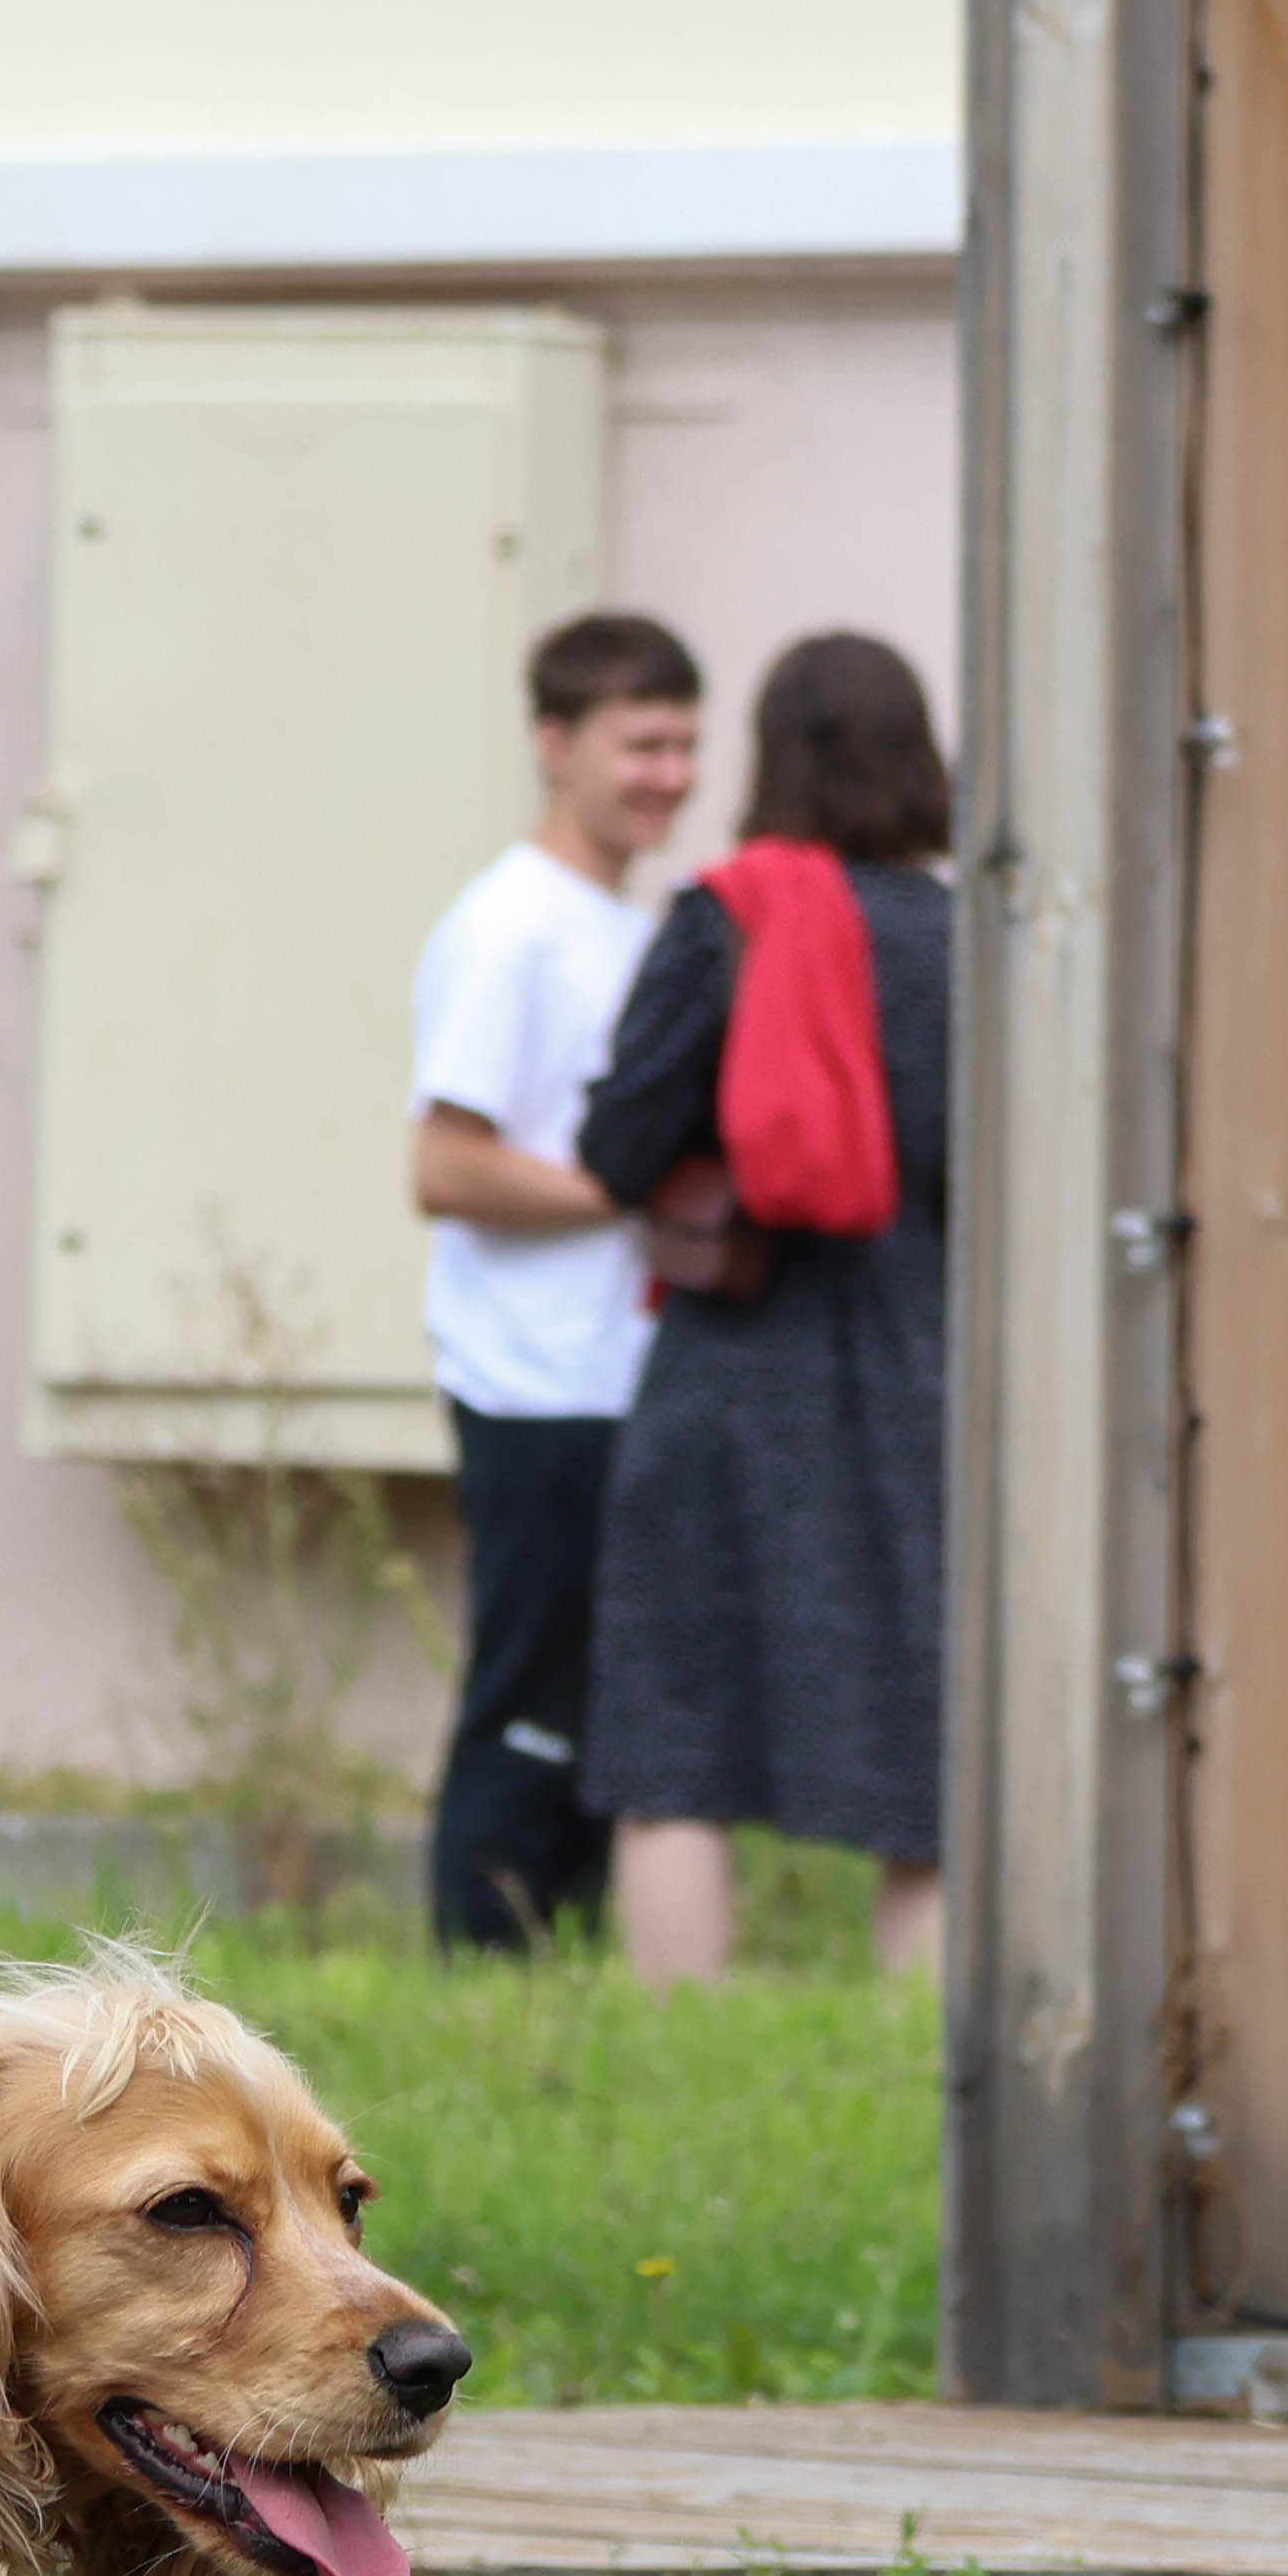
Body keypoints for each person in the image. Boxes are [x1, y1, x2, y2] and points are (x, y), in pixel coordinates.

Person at [566, 631, 951, 1985]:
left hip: (730, 1372)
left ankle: (683, 2047)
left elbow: (615, 1147)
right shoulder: (975, 943)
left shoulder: (726, 919)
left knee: (676, 1735)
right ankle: (922, 2047)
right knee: (926, 1749)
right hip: (923, 1378)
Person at [401, 612, 700, 1949]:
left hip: (613, 1375)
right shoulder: (512, 927)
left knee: (598, 1694)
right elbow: (446, 1166)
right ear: (555, 742)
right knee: (527, 1692)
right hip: (533, 1385)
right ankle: (479, 1961)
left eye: (689, 744)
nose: (671, 774)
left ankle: (553, 1953)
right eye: (643, 742)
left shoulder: (619, 925)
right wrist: (627, 1191)